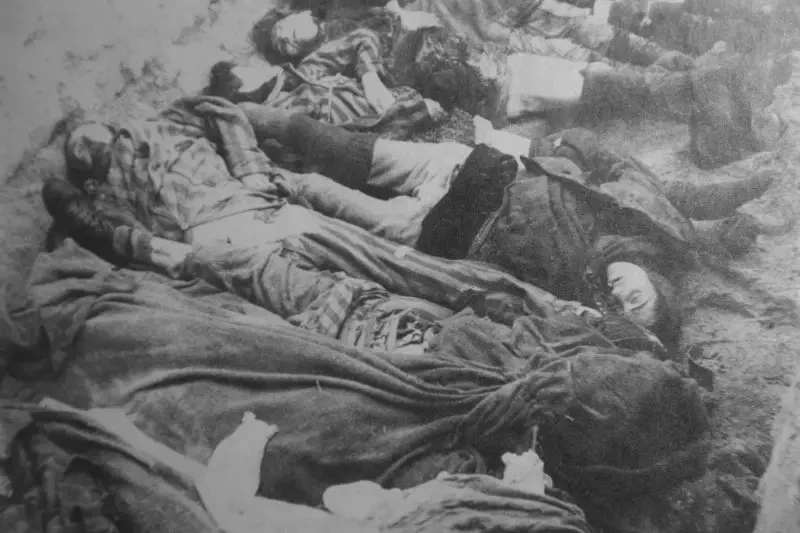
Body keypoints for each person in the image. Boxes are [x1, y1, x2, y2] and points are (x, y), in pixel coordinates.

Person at [44, 95, 662, 358]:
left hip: (267, 207)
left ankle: (565, 321)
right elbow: (118, 236)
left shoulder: (165, 123)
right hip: (217, 241)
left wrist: (254, 171)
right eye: (80, 154)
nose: (88, 150)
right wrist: (138, 237)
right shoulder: (112, 197)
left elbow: (224, 116)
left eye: (87, 138)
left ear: (105, 125)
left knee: (401, 267)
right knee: (347, 303)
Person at [234, 103, 774, 350]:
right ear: (656, 284)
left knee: (319, 193)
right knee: (336, 145)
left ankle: (239, 159)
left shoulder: (576, 303)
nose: (623, 294)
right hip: (471, 173)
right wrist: (726, 215)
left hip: (435, 231)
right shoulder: (637, 223)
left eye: (624, 307)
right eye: (640, 297)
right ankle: (233, 114)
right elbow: (660, 192)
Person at [243, 2, 752, 129]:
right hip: (475, 76)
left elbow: (369, 40)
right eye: (284, 46)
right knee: (589, 80)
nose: (291, 40)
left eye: (287, 30)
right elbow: (364, 56)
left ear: (299, 14)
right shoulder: (324, 58)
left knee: (590, 71)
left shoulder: (348, 20)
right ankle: (704, 80)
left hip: (477, 59)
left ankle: (702, 78)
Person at [203, 8, 445, 143]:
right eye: (282, 44)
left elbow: (361, 38)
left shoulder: (303, 72)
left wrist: (370, 79)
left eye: (286, 29)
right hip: (391, 131)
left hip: (403, 96)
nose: (286, 38)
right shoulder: (274, 123)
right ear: (243, 91)